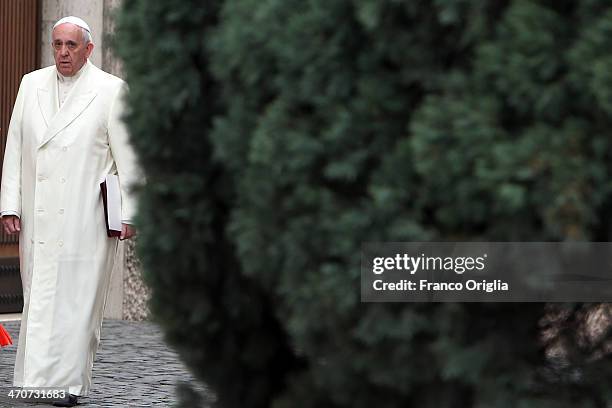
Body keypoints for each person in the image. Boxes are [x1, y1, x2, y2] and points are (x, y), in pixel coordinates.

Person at [0, 16, 139, 407]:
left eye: (71, 46)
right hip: (39, 215)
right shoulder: (31, 83)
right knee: (40, 299)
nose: (62, 52)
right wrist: (10, 203)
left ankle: (69, 386)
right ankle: (34, 380)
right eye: (57, 44)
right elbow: (15, 146)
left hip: (86, 218)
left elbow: (129, 157)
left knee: (78, 304)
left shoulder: (112, 91)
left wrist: (130, 213)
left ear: (88, 49)